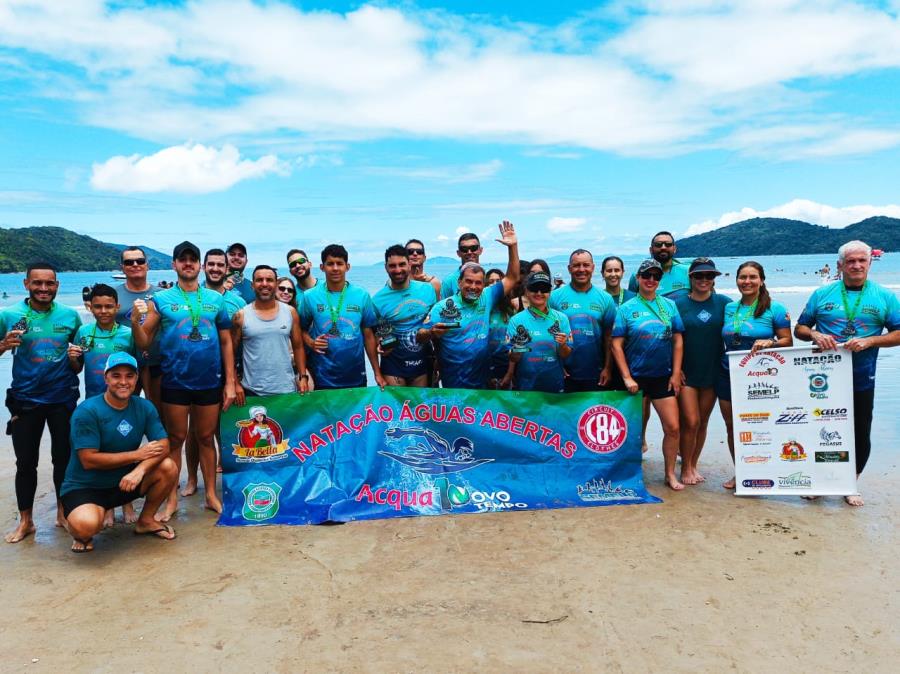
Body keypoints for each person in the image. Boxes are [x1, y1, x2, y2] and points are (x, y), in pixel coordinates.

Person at [131, 241, 237, 520]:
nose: (188, 264)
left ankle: (211, 495)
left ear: (200, 265)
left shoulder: (215, 299)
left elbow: (226, 340)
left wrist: (230, 381)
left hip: (209, 381)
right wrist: (134, 322)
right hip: (175, 381)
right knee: (176, 439)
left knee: (205, 438)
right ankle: (172, 498)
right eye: (183, 260)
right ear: (174, 265)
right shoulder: (161, 300)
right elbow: (144, 341)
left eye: (193, 260)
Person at [795, 240, 900, 506]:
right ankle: (820, 481)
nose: (856, 265)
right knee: (819, 428)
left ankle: (850, 482)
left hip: (862, 377)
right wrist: (816, 334)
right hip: (821, 380)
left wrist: (871, 341)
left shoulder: (885, 296)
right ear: (840, 265)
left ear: (869, 263)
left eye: (861, 261)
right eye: (850, 261)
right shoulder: (823, 294)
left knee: (859, 430)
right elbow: (800, 329)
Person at [61, 353, 178, 552]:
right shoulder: (87, 411)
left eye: (129, 376)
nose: (123, 381)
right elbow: (88, 460)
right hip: (86, 487)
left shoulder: (144, 406)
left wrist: (139, 470)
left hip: (124, 482)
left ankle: (146, 520)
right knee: (86, 527)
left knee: (168, 466)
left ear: (136, 378)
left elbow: (164, 445)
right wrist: (137, 455)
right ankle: (82, 527)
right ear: (106, 378)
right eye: (116, 376)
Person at [0, 262, 82, 543]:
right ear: (26, 284)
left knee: (64, 459)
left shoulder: (71, 316)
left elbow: (78, 361)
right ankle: (26, 521)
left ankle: (62, 513)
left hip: (63, 397)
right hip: (25, 400)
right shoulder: (9, 315)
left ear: (57, 285)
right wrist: (2, 346)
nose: (44, 288)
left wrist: (76, 360)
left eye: (49, 283)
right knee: (26, 463)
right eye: (38, 283)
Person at [611, 259, 686, 490]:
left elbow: (678, 340)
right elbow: (616, 345)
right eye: (646, 275)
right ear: (639, 278)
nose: (651, 280)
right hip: (635, 378)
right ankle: (630, 474)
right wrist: (626, 377)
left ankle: (669, 474)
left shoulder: (669, 306)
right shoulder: (626, 308)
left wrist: (675, 374)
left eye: (655, 276)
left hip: (662, 377)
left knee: (673, 427)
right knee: (633, 431)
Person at [718, 261, 792, 490]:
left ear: (761, 280)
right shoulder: (730, 308)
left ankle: (765, 471)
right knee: (732, 426)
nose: (747, 282)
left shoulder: (776, 309)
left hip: (760, 377)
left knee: (761, 425)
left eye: (752, 277)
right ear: (737, 280)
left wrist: (771, 342)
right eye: (742, 277)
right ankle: (741, 472)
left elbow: (788, 341)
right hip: (728, 372)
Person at [180, 249, 247, 497]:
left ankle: (225, 476)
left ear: (227, 268)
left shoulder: (237, 301)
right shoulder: (193, 297)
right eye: (212, 264)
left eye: (221, 265)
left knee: (224, 428)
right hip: (198, 373)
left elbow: (241, 341)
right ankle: (191, 479)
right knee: (194, 431)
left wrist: (235, 379)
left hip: (228, 371)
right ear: (203, 267)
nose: (216, 269)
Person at [422, 221, 520, 389]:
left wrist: (513, 247)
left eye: (478, 283)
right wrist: (431, 333)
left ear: (484, 285)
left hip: (482, 376)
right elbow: (419, 335)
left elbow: (512, 277)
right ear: (459, 282)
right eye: (468, 282)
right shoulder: (443, 306)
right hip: (453, 376)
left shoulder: (487, 296)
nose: (473, 287)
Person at [673, 258, 731, 485]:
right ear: (691, 277)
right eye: (699, 276)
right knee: (691, 421)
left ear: (714, 278)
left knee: (703, 422)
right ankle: (685, 466)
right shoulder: (677, 304)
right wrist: (675, 370)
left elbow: (746, 323)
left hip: (713, 370)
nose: (704, 280)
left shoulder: (726, 304)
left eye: (709, 276)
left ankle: (693, 464)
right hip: (687, 372)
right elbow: (671, 339)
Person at [300, 244, 385, 389]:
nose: (335, 268)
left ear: (348, 266)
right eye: (330, 264)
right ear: (322, 267)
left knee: (356, 411)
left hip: (356, 374)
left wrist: (377, 373)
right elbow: (300, 329)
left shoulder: (362, 295)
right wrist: (311, 343)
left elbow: (368, 335)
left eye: (339, 263)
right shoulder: (310, 296)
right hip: (322, 375)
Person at [232, 265, 309, 401]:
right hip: (252, 391)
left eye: (269, 280)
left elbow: (298, 347)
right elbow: (230, 353)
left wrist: (303, 376)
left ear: (275, 284)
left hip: (286, 389)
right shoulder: (241, 316)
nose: (264, 284)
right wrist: (235, 384)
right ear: (252, 285)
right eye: (259, 280)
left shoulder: (290, 312)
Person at [549, 249, 616, 392]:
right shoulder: (554, 297)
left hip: (596, 373)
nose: (581, 270)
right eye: (576, 265)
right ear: (569, 268)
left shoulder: (605, 299)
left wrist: (607, 368)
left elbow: (609, 337)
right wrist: (556, 366)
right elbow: (547, 334)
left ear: (593, 267)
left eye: (586, 265)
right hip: (564, 372)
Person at [372, 245, 438, 387]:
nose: (398, 270)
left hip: (422, 361)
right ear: (386, 268)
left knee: (421, 407)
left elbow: (435, 324)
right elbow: (376, 333)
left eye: (402, 264)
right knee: (397, 408)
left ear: (409, 264)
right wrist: (380, 344)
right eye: (392, 266)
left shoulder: (427, 290)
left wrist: (440, 359)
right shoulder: (377, 300)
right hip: (393, 364)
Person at [502, 272, 572, 392]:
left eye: (544, 289)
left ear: (549, 293)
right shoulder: (515, 320)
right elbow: (513, 358)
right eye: (534, 289)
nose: (539, 293)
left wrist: (563, 344)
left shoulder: (562, 319)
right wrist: (519, 346)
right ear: (527, 292)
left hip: (555, 384)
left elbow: (565, 354)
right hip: (526, 385)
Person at [114, 246, 161, 410]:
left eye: (140, 261)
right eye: (129, 262)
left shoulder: (162, 295)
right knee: (122, 411)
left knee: (158, 412)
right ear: (122, 267)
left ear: (147, 265)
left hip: (155, 363)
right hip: (122, 363)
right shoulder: (112, 295)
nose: (135, 264)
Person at [627, 231, 690, 297]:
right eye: (658, 244)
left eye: (668, 244)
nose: (663, 247)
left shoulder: (688, 271)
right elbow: (631, 302)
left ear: (674, 249)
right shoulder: (638, 275)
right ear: (651, 250)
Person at [485, 269, 516, 388]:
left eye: (498, 281)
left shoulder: (511, 309)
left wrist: (510, 373)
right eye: (491, 281)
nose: (495, 284)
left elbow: (515, 343)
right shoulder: (483, 311)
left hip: (507, 364)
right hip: (486, 365)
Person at [441, 232, 483, 299]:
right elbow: (443, 306)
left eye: (473, 248)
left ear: (480, 250)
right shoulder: (449, 281)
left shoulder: (489, 277)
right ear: (458, 253)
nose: (469, 252)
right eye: (464, 249)